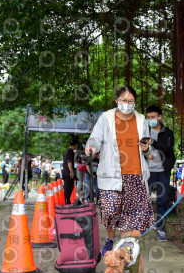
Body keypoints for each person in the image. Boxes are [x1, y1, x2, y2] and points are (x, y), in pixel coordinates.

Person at [85, 86, 154, 257]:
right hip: (111, 173)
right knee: (110, 212)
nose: (127, 104)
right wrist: (92, 146)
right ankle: (110, 239)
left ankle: (123, 254)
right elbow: (96, 137)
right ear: (117, 100)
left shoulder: (141, 119)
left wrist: (146, 148)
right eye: (124, 100)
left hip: (135, 173)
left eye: (131, 101)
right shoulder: (106, 118)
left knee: (130, 219)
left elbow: (147, 148)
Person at [144, 105, 175, 241]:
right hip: (147, 171)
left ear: (159, 117)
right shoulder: (143, 131)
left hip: (162, 171)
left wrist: (153, 142)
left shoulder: (167, 133)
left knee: (162, 200)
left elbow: (168, 150)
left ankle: (161, 229)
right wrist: (145, 153)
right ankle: (142, 226)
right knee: (144, 199)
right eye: (148, 117)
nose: (150, 119)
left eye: (153, 117)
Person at [62, 139, 78, 204]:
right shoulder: (70, 152)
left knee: (68, 186)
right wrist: (71, 172)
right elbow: (69, 162)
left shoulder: (66, 151)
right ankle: (67, 200)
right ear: (75, 145)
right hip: (68, 172)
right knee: (69, 186)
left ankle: (67, 200)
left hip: (65, 171)